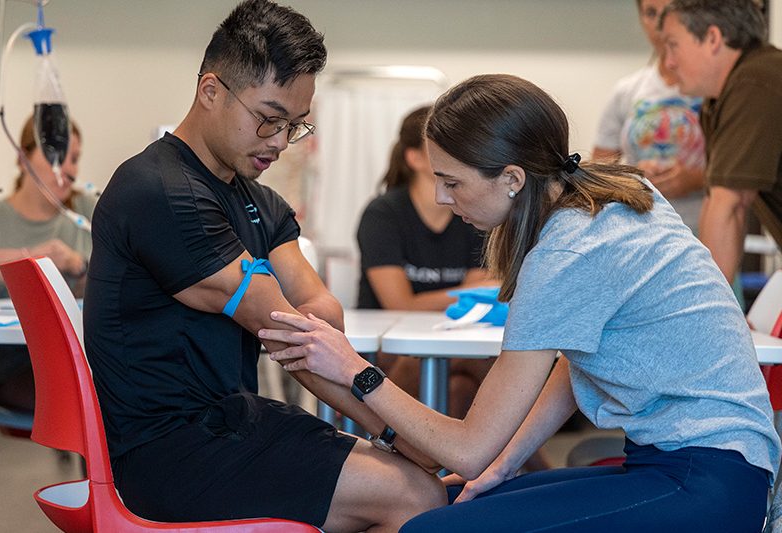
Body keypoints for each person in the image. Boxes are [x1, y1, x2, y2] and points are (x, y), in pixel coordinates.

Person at [260, 73, 780, 532]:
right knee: (446, 501)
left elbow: (466, 449)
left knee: (428, 529)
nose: (441, 197)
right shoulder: (616, 194)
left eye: (452, 182)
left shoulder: (567, 251)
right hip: (708, 465)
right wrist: (504, 464)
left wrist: (356, 370)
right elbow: (573, 362)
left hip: (707, 480)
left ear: (512, 179)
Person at [83, 1, 445, 531]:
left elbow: (319, 309)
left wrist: (408, 438)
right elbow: (291, 334)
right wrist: (408, 437)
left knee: (422, 485)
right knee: (418, 495)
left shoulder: (260, 202)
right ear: (211, 91)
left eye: (294, 126)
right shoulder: (160, 191)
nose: (278, 142)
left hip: (231, 424)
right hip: (168, 452)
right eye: (269, 118)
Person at [356, 105, 496, 419]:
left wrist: (461, 295)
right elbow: (399, 304)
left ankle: (453, 453)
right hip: (390, 349)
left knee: (460, 388)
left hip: (454, 335)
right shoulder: (383, 214)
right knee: (479, 361)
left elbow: (482, 293)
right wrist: (467, 292)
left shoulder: (474, 215)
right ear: (414, 158)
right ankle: (527, 455)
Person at [659, 0, 782, 285]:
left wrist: (706, 304)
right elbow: (718, 198)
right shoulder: (723, 96)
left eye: (673, 45)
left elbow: (730, 204)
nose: (668, 62)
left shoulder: (754, 83)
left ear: (713, 38)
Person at [0, 114, 94, 411]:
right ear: (23, 159)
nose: (68, 170)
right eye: (57, 156)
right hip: (6, 366)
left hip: (73, 361)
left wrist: (78, 265)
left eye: (74, 159)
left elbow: (114, 288)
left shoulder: (86, 212)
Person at [593, 0, 706, 234]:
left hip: (701, 228)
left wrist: (695, 179)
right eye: (651, 13)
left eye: (669, 10)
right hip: (640, 229)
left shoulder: (712, 89)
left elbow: (743, 173)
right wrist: (634, 177)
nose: (660, 23)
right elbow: (598, 169)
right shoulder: (627, 90)